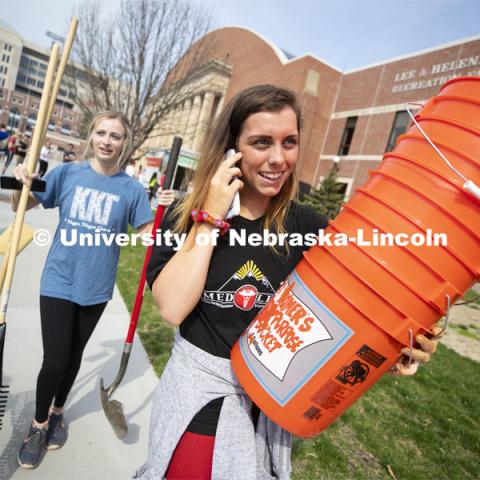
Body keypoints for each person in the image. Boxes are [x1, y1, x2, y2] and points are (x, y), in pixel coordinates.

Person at [134, 85, 441, 479]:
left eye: (289, 142)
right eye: (262, 142)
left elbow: (348, 317)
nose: (278, 159)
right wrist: (210, 218)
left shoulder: (310, 229)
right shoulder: (183, 214)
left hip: (271, 408)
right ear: (232, 148)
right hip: (199, 404)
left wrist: (395, 351)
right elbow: (173, 306)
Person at [11, 111, 153, 470]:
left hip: (96, 287)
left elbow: (151, 236)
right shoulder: (67, 173)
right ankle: (38, 424)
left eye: (116, 135)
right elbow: (21, 208)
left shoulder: (132, 190)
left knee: (74, 357)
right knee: (55, 359)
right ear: (91, 137)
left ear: (125, 143)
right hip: (59, 280)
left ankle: (59, 411)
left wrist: (167, 209)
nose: (107, 140)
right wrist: (22, 185)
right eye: (101, 132)